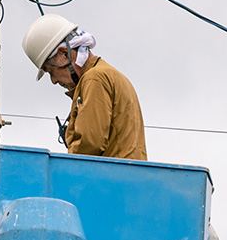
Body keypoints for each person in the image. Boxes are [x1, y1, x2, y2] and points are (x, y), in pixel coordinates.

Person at [22, 14, 147, 160]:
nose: (54, 81)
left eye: (51, 71)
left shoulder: (94, 79)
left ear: (65, 55)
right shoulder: (106, 74)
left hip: (110, 178)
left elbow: (89, 145)